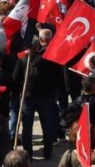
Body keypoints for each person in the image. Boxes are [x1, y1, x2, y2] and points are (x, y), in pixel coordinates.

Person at [14, 29, 62, 160]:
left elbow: (15, 78)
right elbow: (57, 77)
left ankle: (28, 154)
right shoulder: (47, 58)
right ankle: (48, 152)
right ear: (38, 45)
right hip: (44, 98)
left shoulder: (23, 60)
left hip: (28, 98)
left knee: (27, 127)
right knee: (46, 126)